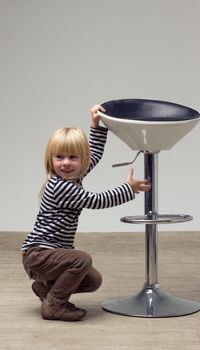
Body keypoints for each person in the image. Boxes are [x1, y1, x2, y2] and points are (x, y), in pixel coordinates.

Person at [22, 104, 150, 322]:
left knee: (92, 280)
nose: (65, 163)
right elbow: (98, 200)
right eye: (59, 157)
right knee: (82, 260)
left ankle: (46, 289)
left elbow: (95, 154)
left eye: (73, 157)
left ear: (81, 160)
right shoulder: (61, 186)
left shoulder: (74, 178)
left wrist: (96, 125)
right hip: (38, 256)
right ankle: (53, 306)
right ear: (50, 160)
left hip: (48, 258)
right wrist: (128, 189)